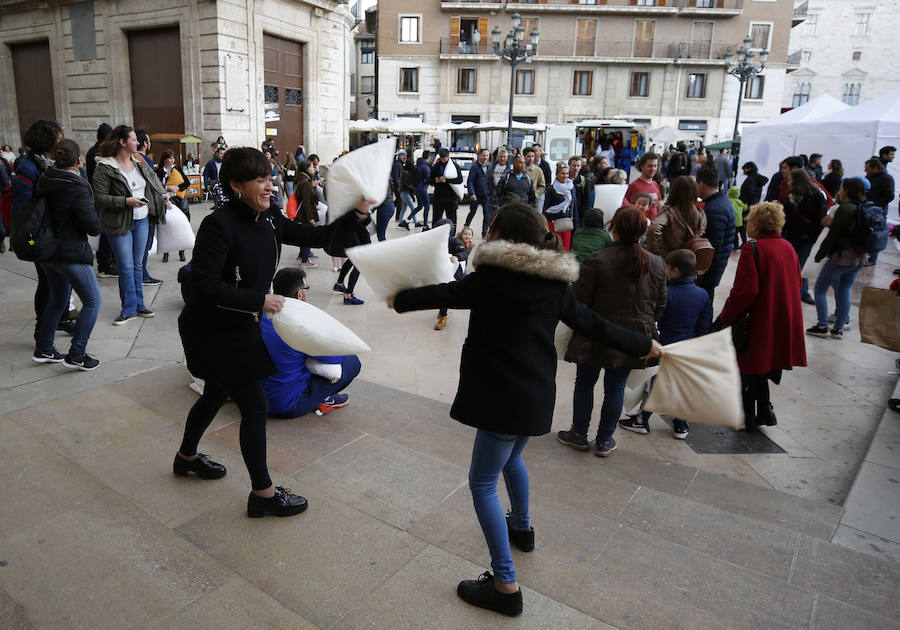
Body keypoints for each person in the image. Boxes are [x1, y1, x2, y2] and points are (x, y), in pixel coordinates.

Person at [388, 202, 660, 616]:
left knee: (482, 485)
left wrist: (400, 299)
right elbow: (594, 324)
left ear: (507, 239)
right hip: (536, 396)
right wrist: (644, 344)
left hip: (500, 398)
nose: (487, 234)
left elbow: (445, 294)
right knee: (513, 460)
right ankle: (523, 527)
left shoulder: (491, 280)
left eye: (492, 229)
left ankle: (504, 583)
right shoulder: (555, 284)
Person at [175, 146, 370, 518]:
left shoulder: (270, 218)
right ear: (236, 185)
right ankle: (263, 495)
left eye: (270, 178)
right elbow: (201, 287)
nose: (269, 186)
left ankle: (186, 458)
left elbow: (318, 237)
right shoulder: (219, 225)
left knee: (216, 393)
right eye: (260, 179)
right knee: (254, 405)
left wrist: (358, 213)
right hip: (213, 329)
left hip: (240, 325)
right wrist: (259, 300)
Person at [558, 205, 667, 456]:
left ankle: (579, 434)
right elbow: (660, 305)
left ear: (613, 229)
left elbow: (578, 301)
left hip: (593, 333)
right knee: (615, 388)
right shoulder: (658, 264)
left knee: (585, 383)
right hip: (633, 337)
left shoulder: (598, 260)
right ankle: (605, 440)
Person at [715, 202, 807, 431]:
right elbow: (797, 283)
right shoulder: (787, 247)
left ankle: (747, 416)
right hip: (781, 315)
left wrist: (724, 318)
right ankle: (765, 408)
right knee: (761, 365)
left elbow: (745, 292)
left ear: (756, 223)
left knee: (748, 365)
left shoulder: (752, 247)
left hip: (758, 319)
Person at [620, 249, 711, 438]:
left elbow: (656, 319)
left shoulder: (667, 293)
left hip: (666, 345)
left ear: (675, 270)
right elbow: (704, 326)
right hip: (689, 347)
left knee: (656, 384)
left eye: (667, 268)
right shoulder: (703, 295)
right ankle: (681, 424)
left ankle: (642, 420)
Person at [32, 139, 103, 370]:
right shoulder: (76, 186)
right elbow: (92, 226)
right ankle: (77, 354)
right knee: (92, 301)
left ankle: (44, 348)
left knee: (58, 300)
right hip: (70, 252)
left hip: (47, 252)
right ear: (79, 160)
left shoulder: (46, 179)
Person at [92, 125, 167, 325]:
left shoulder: (139, 161)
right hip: (118, 221)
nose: (138, 142)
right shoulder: (105, 166)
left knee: (137, 264)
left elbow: (154, 184)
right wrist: (126, 201)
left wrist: (164, 196)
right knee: (125, 266)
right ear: (122, 142)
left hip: (141, 218)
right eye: (133, 139)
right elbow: (99, 197)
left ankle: (139, 305)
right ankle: (128, 308)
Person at [261, 268, 361, 416]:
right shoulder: (302, 326)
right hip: (285, 404)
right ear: (299, 294)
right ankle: (323, 398)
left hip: (256, 395)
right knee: (352, 362)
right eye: (306, 288)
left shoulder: (261, 315)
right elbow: (336, 356)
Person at [12, 120, 76, 338]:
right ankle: (42, 328)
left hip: (56, 233)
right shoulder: (28, 168)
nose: (62, 141)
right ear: (48, 141)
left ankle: (62, 318)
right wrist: (32, 242)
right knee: (47, 281)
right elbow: (23, 211)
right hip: (39, 236)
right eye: (59, 138)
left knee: (60, 281)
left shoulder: (49, 165)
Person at [807, 178, 869, 339]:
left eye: (842, 188)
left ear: (846, 190)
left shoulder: (846, 208)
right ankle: (839, 328)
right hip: (859, 256)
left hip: (842, 256)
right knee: (844, 289)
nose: (840, 190)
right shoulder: (862, 207)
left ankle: (822, 326)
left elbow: (834, 235)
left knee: (820, 289)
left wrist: (820, 255)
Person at [782, 168, 826, 304]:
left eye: (790, 179)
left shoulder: (816, 196)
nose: (788, 182)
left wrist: (813, 237)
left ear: (798, 181)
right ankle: (788, 290)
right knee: (789, 264)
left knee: (802, 266)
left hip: (807, 238)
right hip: (790, 235)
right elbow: (787, 214)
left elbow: (821, 219)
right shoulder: (791, 195)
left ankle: (802, 292)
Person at [694, 166, 735, 301]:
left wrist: (703, 272)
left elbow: (712, 247)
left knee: (704, 300)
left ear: (701, 184)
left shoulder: (715, 209)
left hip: (710, 270)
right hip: (716, 267)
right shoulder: (721, 202)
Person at [646, 175, 707, 259]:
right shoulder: (700, 212)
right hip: (688, 260)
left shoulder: (669, 212)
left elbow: (653, 229)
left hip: (669, 259)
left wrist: (656, 252)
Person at [85, 123, 117, 277]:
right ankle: (105, 264)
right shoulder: (99, 154)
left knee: (105, 231)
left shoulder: (91, 152)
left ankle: (106, 261)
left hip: (97, 197)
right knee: (106, 231)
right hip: (102, 199)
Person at [432, 219, 470, 330]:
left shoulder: (454, 241)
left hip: (455, 271)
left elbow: (464, 253)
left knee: (446, 292)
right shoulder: (435, 242)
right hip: (442, 270)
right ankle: (442, 311)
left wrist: (456, 257)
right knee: (441, 291)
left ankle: (443, 316)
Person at [156, 151, 191, 263]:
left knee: (181, 225)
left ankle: (181, 252)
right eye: (169, 158)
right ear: (164, 159)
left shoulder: (177, 169)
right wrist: (167, 187)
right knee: (166, 226)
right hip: (166, 200)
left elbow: (186, 182)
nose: (172, 160)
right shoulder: (159, 171)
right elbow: (156, 185)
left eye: (173, 158)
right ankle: (166, 253)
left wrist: (176, 187)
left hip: (179, 200)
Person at [292, 159, 319, 268]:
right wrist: (310, 218)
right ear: (307, 169)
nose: (314, 168)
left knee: (303, 235)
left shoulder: (301, 179)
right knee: (307, 237)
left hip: (301, 214)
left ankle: (301, 255)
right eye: (312, 167)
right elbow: (306, 202)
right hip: (304, 215)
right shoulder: (306, 183)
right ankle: (304, 261)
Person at [543, 162, 575, 251]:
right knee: (554, 248)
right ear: (557, 174)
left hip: (566, 223)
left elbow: (573, 206)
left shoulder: (571, 188)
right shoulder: (551, 189)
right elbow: (546, 208)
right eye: (562, 173)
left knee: (565, 248)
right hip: (553, 223)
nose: (565, 176)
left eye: (567, 173)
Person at [429, 149, 463, 228]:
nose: (444, 160)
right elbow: (429, 180)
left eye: (445, 158)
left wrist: (447, 180)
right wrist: (436, 180)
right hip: (438, 197)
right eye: (442, 158)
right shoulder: (436, 166)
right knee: (436, 218)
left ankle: (451, 235)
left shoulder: (454, 166)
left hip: (451, 197)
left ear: (448, 156)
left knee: (452, 218)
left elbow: (459, 180)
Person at [624, 152, 661, 219]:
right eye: (649, 166)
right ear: (642, 166)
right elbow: (627, 208)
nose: (653, 169)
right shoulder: (634, 186)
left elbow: (658, 205)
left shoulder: (655, 184)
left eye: (655, 166)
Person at [465, 148, 491, 232]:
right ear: (480, 156)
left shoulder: (490, 167)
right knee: (472, 212)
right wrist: (472, 193)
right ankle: (466, 226)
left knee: (486, 214)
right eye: (484, 155)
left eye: (487, 155)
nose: (485, 157)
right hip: (476, 194)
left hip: (486, 195)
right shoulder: (475, 167)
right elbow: (470, 181)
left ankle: (484, 232)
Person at [397, 158, 419, 230]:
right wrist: (412, 189)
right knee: (413, 208)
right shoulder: (407, 172)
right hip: (405, 192)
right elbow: (406, 184)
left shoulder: (404, 171)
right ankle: (416, 222)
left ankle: (400, 222)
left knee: (404, 208)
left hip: (404, 192)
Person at [414, 150, 432, 230]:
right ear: (429, 157)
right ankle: (425, 225)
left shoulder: (418, 165)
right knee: (427, 206)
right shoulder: (426, 167)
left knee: (420, 206)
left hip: (417, 188)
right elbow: (427, 179)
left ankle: (407, 220)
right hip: (423, 188)